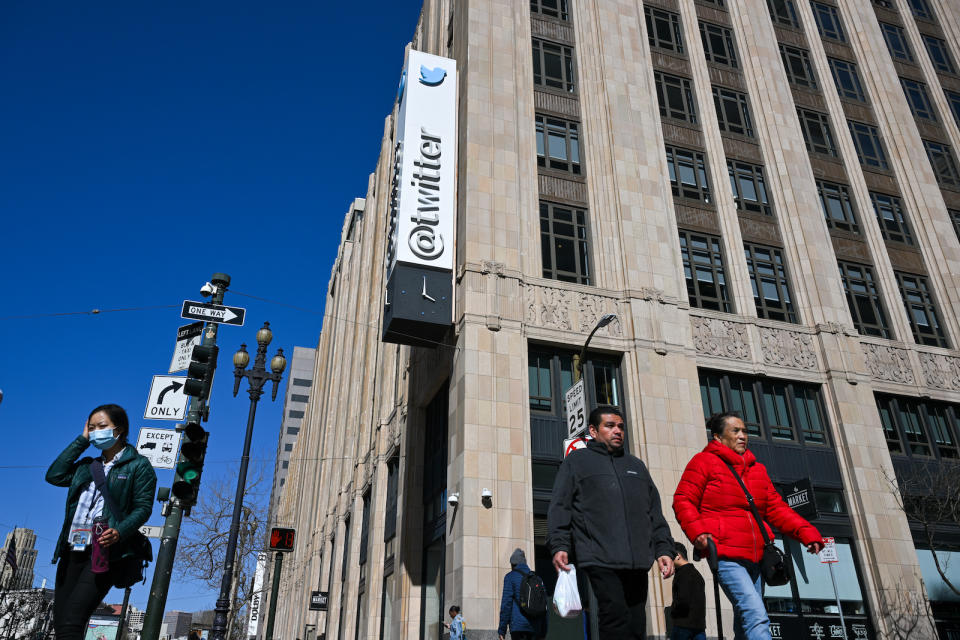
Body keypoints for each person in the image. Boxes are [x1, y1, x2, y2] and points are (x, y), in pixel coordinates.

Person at [673, 412, 824, 640]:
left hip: (757, 557)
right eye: (735, 431)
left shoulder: (757, 470)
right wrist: (698, 533)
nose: (743, 435)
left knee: (745, 622)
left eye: (745, 431)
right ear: (718, 437)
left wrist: (807, 533)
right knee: (755, 612)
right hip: (726, 555)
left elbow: (776, 508)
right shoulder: (704, 462)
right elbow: (683, 499)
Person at [547, 405, 675, 639]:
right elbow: (560, 506)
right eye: (610, 426)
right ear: (593, 431)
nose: (617, 431)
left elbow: (654, 512)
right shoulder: (577, 461)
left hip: (637, 560)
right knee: (614, 616)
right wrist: (560, 545)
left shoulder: (636, 466)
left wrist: (663, 548)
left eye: (621, 427)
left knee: (636, 623)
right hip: (599, 555)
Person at [46, 404, 157, 640]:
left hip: (105, 551)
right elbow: (54, 475)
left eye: (102, 426)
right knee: (61, 623)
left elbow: (143, 508)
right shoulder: (86, 466)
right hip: (71, 549)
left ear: (120, 430)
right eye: (92, 427)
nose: (97, 431)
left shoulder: (139, 466)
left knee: (71, 622)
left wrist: (119, 531)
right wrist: (82, 439)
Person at [498, 548, 546, 640]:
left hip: (518, 627)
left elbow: (506, 605)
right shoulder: (537, 578)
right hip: (535, 627)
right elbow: (544, 606)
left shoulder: (510, 577)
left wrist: (502, 630)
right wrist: (543, 631)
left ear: (513, 564)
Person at [670, 542, 705, 640]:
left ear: (678, 556)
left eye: (669, 557)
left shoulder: (683, 574)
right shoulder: (696, 574)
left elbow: (683, 599)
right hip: (699, 625)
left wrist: (673, 612)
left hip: (683, 624)